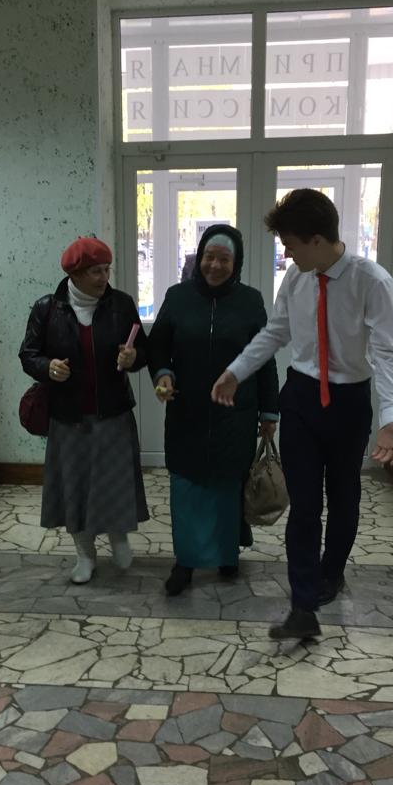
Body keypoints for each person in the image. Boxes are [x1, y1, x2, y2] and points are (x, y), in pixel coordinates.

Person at [212, 189, 393, 639]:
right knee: (304, 505)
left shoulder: (372, 281)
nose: (287, 254)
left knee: (344, 498)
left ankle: (331, 571)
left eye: (291, 244)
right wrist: (235, 372)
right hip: (301, 398)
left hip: (349, 403)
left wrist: (390, 417)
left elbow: (388, 353)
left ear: (317, 240)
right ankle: (302, 606)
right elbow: (275, 332)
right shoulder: (296, 278)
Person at [149, 224, 279, 595]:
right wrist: (163, 373)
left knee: (226, 486)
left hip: (235, 414)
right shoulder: (177, 297)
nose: (215, 265)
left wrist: (269, 412)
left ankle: (226, 555)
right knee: (187, 487)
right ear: (199, 256)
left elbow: (265, 359)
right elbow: (158, 346)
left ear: (236, 263)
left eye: (224, 259)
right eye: (209, 257)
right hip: (186, 412)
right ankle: (185, 562)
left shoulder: (250, 301)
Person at [19, 236, 149, 583]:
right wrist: (48, 367)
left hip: (114, 413)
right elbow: (28, 355)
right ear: (74, 275)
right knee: (75, 489)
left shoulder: (121, 305)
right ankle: (85, 554)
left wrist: (134, 357)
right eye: (95, 271)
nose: (104, 277)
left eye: (107, 269)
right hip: (69, 418)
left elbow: (144, 352)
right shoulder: (47, 309)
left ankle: (118, 537)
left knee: (115, 484)